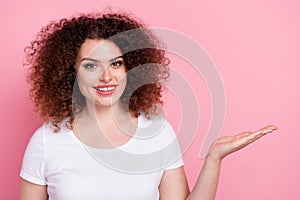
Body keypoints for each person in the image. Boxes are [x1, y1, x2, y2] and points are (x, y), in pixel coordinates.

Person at [19, 11, 277, 200]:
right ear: (71, 72)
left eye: (116, 63)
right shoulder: (46, 142)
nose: (106, 77)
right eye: (90, 65)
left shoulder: (158, 132)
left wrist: (214, 158)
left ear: (130, 67)